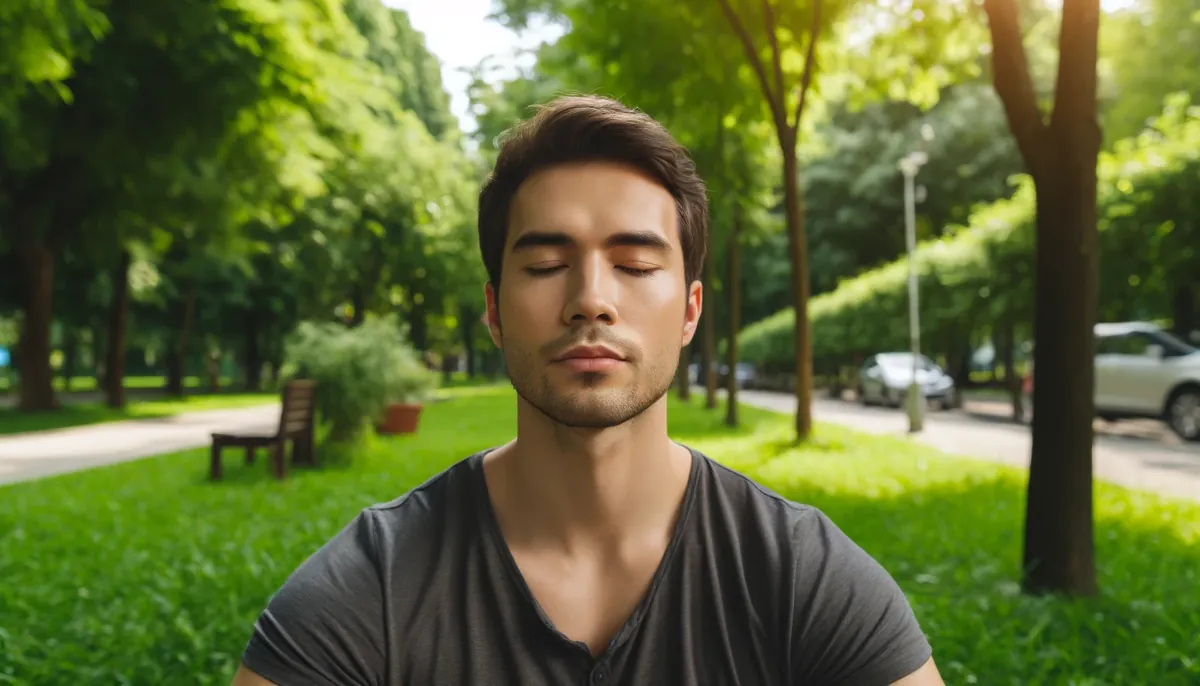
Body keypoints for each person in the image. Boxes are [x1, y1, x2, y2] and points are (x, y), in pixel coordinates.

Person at [232, 95, 944, 686]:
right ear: (493, 311)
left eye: (634, 263)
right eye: (545, 264)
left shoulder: (802, 578)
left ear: (691, 310)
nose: (590, 300)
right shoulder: (371, 591)